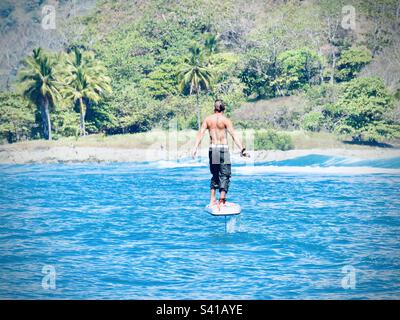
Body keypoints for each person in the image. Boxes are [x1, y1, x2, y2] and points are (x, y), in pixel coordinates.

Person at [191, 100, 249, 208]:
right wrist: (242, 149)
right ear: (223, 109)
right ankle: (222, 200)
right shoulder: (226, 120)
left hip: (213, 149)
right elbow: (234, 135)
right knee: (225, 174)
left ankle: (212, 200)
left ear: (214, 108)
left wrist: (195, 148)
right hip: (223, 149)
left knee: (215, 175)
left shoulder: (208, 120)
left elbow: (201, 134)